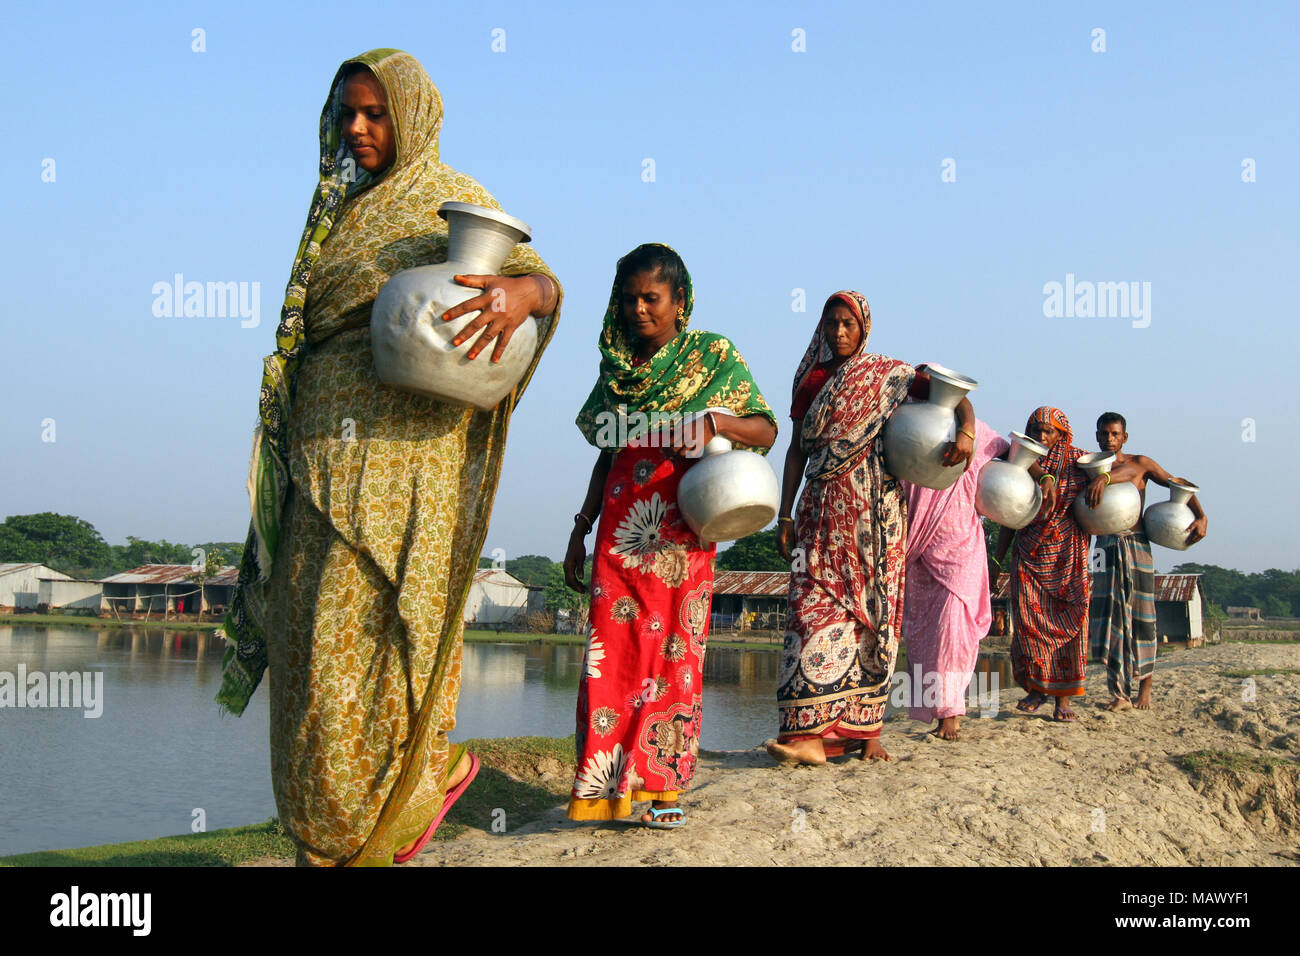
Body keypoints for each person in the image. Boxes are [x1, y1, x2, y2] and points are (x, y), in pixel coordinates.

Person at [217, 49, 562, 866]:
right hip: (315, 459)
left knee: (379, 643)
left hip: (406, 461)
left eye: (376, 113)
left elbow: (537, 277)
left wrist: (526, 294)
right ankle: (327, 830)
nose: (359, 129)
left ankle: (399, 804)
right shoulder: (333, 210)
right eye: (347, 114)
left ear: (411, 117)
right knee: (309, 656)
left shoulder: (449, 201)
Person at [564, 244, 776, 827]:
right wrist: (580, 529)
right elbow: (607, 457)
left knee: (675, 655)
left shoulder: (713, 356)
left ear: (679, 302)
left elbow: (765, 428)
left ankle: (662, 787)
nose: (638, 310)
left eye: (651, 298)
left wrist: (715, 422)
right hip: (620, 530)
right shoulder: (618, 373)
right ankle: (606, 789)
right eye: (628, 299)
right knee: (611, 655)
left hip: (685, 530)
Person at [766, 292, 973, 765]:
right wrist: (785, 512)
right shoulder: (809, 380)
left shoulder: (891, 375)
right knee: (810, 612)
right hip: (819, 514)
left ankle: (867, 732)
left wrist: (966, 433)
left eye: (848, 325)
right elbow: (797, 449)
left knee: (875, 616)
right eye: (832, 323)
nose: (839, 333)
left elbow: (955, 396)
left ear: (864, 329)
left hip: (876, 517)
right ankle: (808, 735)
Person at [990, 407, 1138, 722]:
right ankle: (1037, 689)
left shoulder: (1081, 462)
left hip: (1070, 557)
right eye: (1037, 429)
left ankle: (1064, 699)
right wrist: (995, 559)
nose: (1043, 437)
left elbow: (1135, 471)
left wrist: (1105, 478)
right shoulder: (1023, 461)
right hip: (1029, 554)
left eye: (1049, 431)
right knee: (1030, 625)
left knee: (1072, 626)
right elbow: (1007, 512)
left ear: (1062, 434)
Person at [1090, 411, 1208, 710]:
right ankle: (1118, 693)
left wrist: (1201, 515)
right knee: (1109, 617)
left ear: (1124, 437)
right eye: (1104, 433)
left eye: (1114, 434)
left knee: (1142, 615)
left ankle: (1145, 687)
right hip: (1104, 545)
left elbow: (1177, 483)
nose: (1109, 438)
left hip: (1137, 543)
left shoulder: (1139, 464)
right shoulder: (1089, 467)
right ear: (1097, 435)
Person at [901, 418, 1008, 740]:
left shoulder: (976, 433)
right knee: (922, 636)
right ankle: (937, 710)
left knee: (954, 633)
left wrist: (1041, 476)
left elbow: (1014, 456)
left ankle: (951, 714)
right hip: (918, 549)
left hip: (961, 550)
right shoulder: (907, 431)